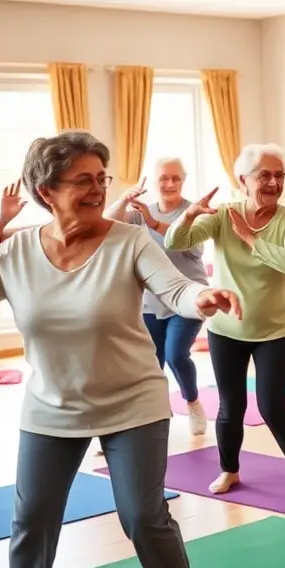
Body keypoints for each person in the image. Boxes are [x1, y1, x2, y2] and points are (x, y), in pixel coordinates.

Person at [0, 131, 241, 568]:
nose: (97, 189)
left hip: (132, 402)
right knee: (32, 519)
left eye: (101, 178)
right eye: (82, 180)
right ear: (46, 190)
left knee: (143, 516)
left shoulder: (130, 241)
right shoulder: (15, 255)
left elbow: (177, 289)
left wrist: (201, 299)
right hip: (52, 406)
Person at [164, 142, 285, 507]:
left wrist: (249, 238)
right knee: (230, 407)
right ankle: (230, 469)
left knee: (271, 407)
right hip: (227, 331)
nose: (273, 182)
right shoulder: (224, 214)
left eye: (279, 175)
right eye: (264, 175)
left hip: (276, 331)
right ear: (243, 180)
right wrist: (188, 216)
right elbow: (175, 242)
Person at [106, 157, 209, 434]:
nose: (170, 183)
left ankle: (193, 403)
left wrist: (151, 222)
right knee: (151, 363)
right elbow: (107, 222)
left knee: (176, 355)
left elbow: (193, 248)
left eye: (176, 178)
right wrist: (124, 200)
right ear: (155, 182)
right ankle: (154, 417)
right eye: (164, 178)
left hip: (187, 295)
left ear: (183, 181)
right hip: (151, 299)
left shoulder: (192, 211)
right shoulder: (141, 211)